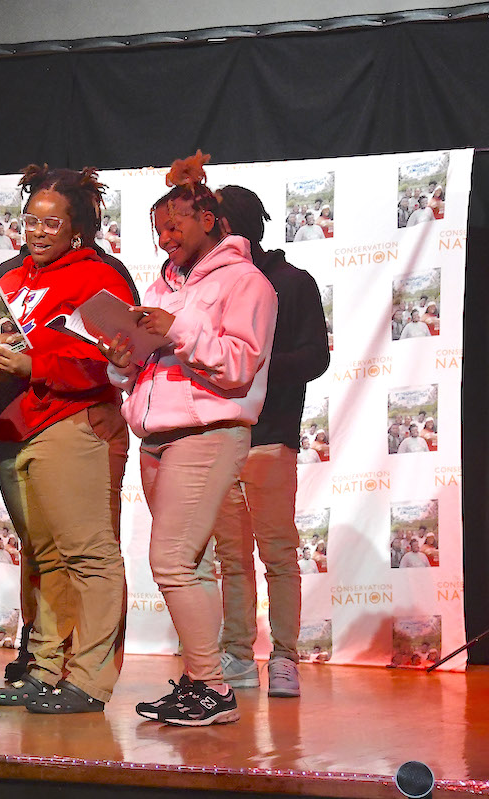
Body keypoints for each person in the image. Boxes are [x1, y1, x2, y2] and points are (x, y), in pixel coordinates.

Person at [97, 151, 277, 726]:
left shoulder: (248, 282)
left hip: (209, 432)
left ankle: (215, 688)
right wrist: (122, 361)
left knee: (171, 561)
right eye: (158, 229)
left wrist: (176, 330)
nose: (166, 236)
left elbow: (240, 366)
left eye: (175, 224)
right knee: (191, 566)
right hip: (156, 438)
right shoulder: (161, 285)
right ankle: (202, 684)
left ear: (208, 220)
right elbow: (143, 372)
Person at [0, 164, 134, 715]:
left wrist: (35, 363)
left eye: (52, 223)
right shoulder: (10, 279)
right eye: (31, 220)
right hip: (10, 428)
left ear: (76, 229)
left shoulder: (97, 277)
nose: (38, 230)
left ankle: (91, 679)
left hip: (66, 425)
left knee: (88, 556)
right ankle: (45, 668)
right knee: (45, 557)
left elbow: (109, 357)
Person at [209, 185, 330, 699]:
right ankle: (236, 655)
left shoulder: (292, 282)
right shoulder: (208, 283)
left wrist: (251, 370)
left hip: (271, 436)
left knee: (277, 553)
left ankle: (284, 656)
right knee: (231, 557)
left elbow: (316, 357)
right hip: (217, 436)